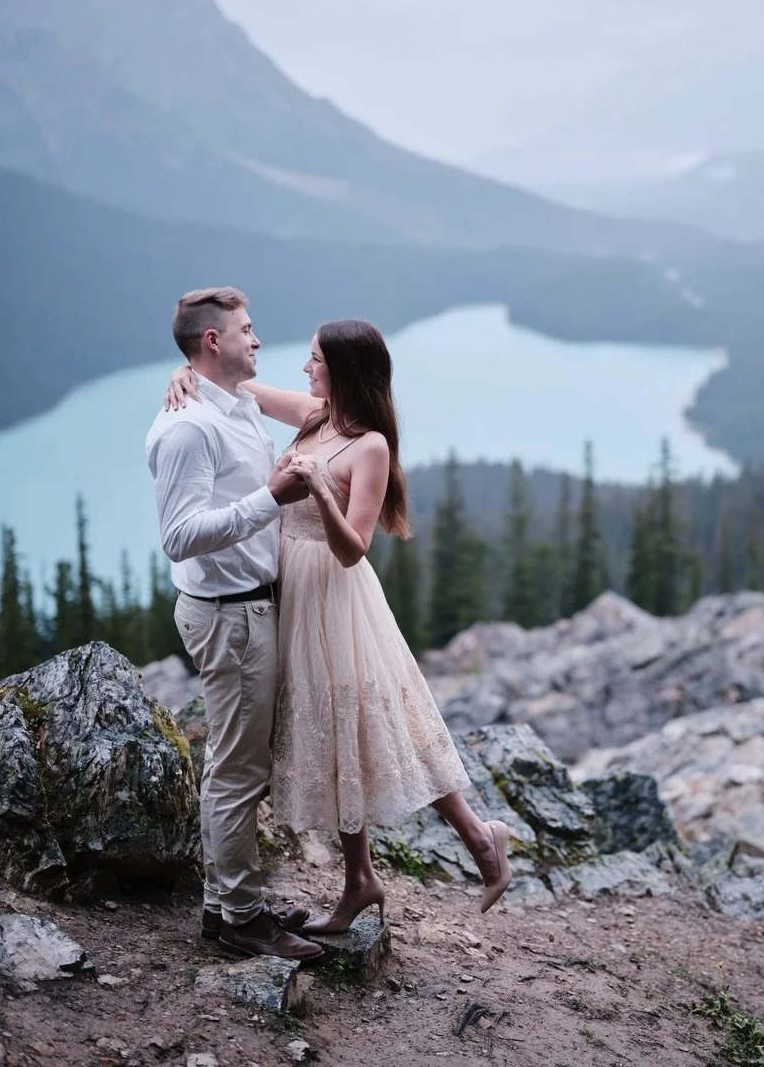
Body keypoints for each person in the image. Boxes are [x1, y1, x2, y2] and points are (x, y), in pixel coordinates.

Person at [165, 318, 512, 931]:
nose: (305, 368)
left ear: (344, 369)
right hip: (290, 591)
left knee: (374, 718)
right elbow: (238, 390)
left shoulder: (371, 445)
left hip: (335, 592)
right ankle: (361, 880)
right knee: (334, 730)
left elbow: (354, 547)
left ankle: (482, 843)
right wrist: (186, 375)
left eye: (316, 359)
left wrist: (321, 491)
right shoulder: (315, 415)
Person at [146, 287, 323, 962]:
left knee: (237, 762)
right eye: (246, 331)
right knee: (236, 771)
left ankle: (229, 906)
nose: (257, 339)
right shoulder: (189, 426)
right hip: (231, 615)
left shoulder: (235, 403)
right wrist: (271, 498)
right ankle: (242, 919)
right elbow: (180, 536)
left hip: (248, 607)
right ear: (212, 341)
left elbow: (317, 408)